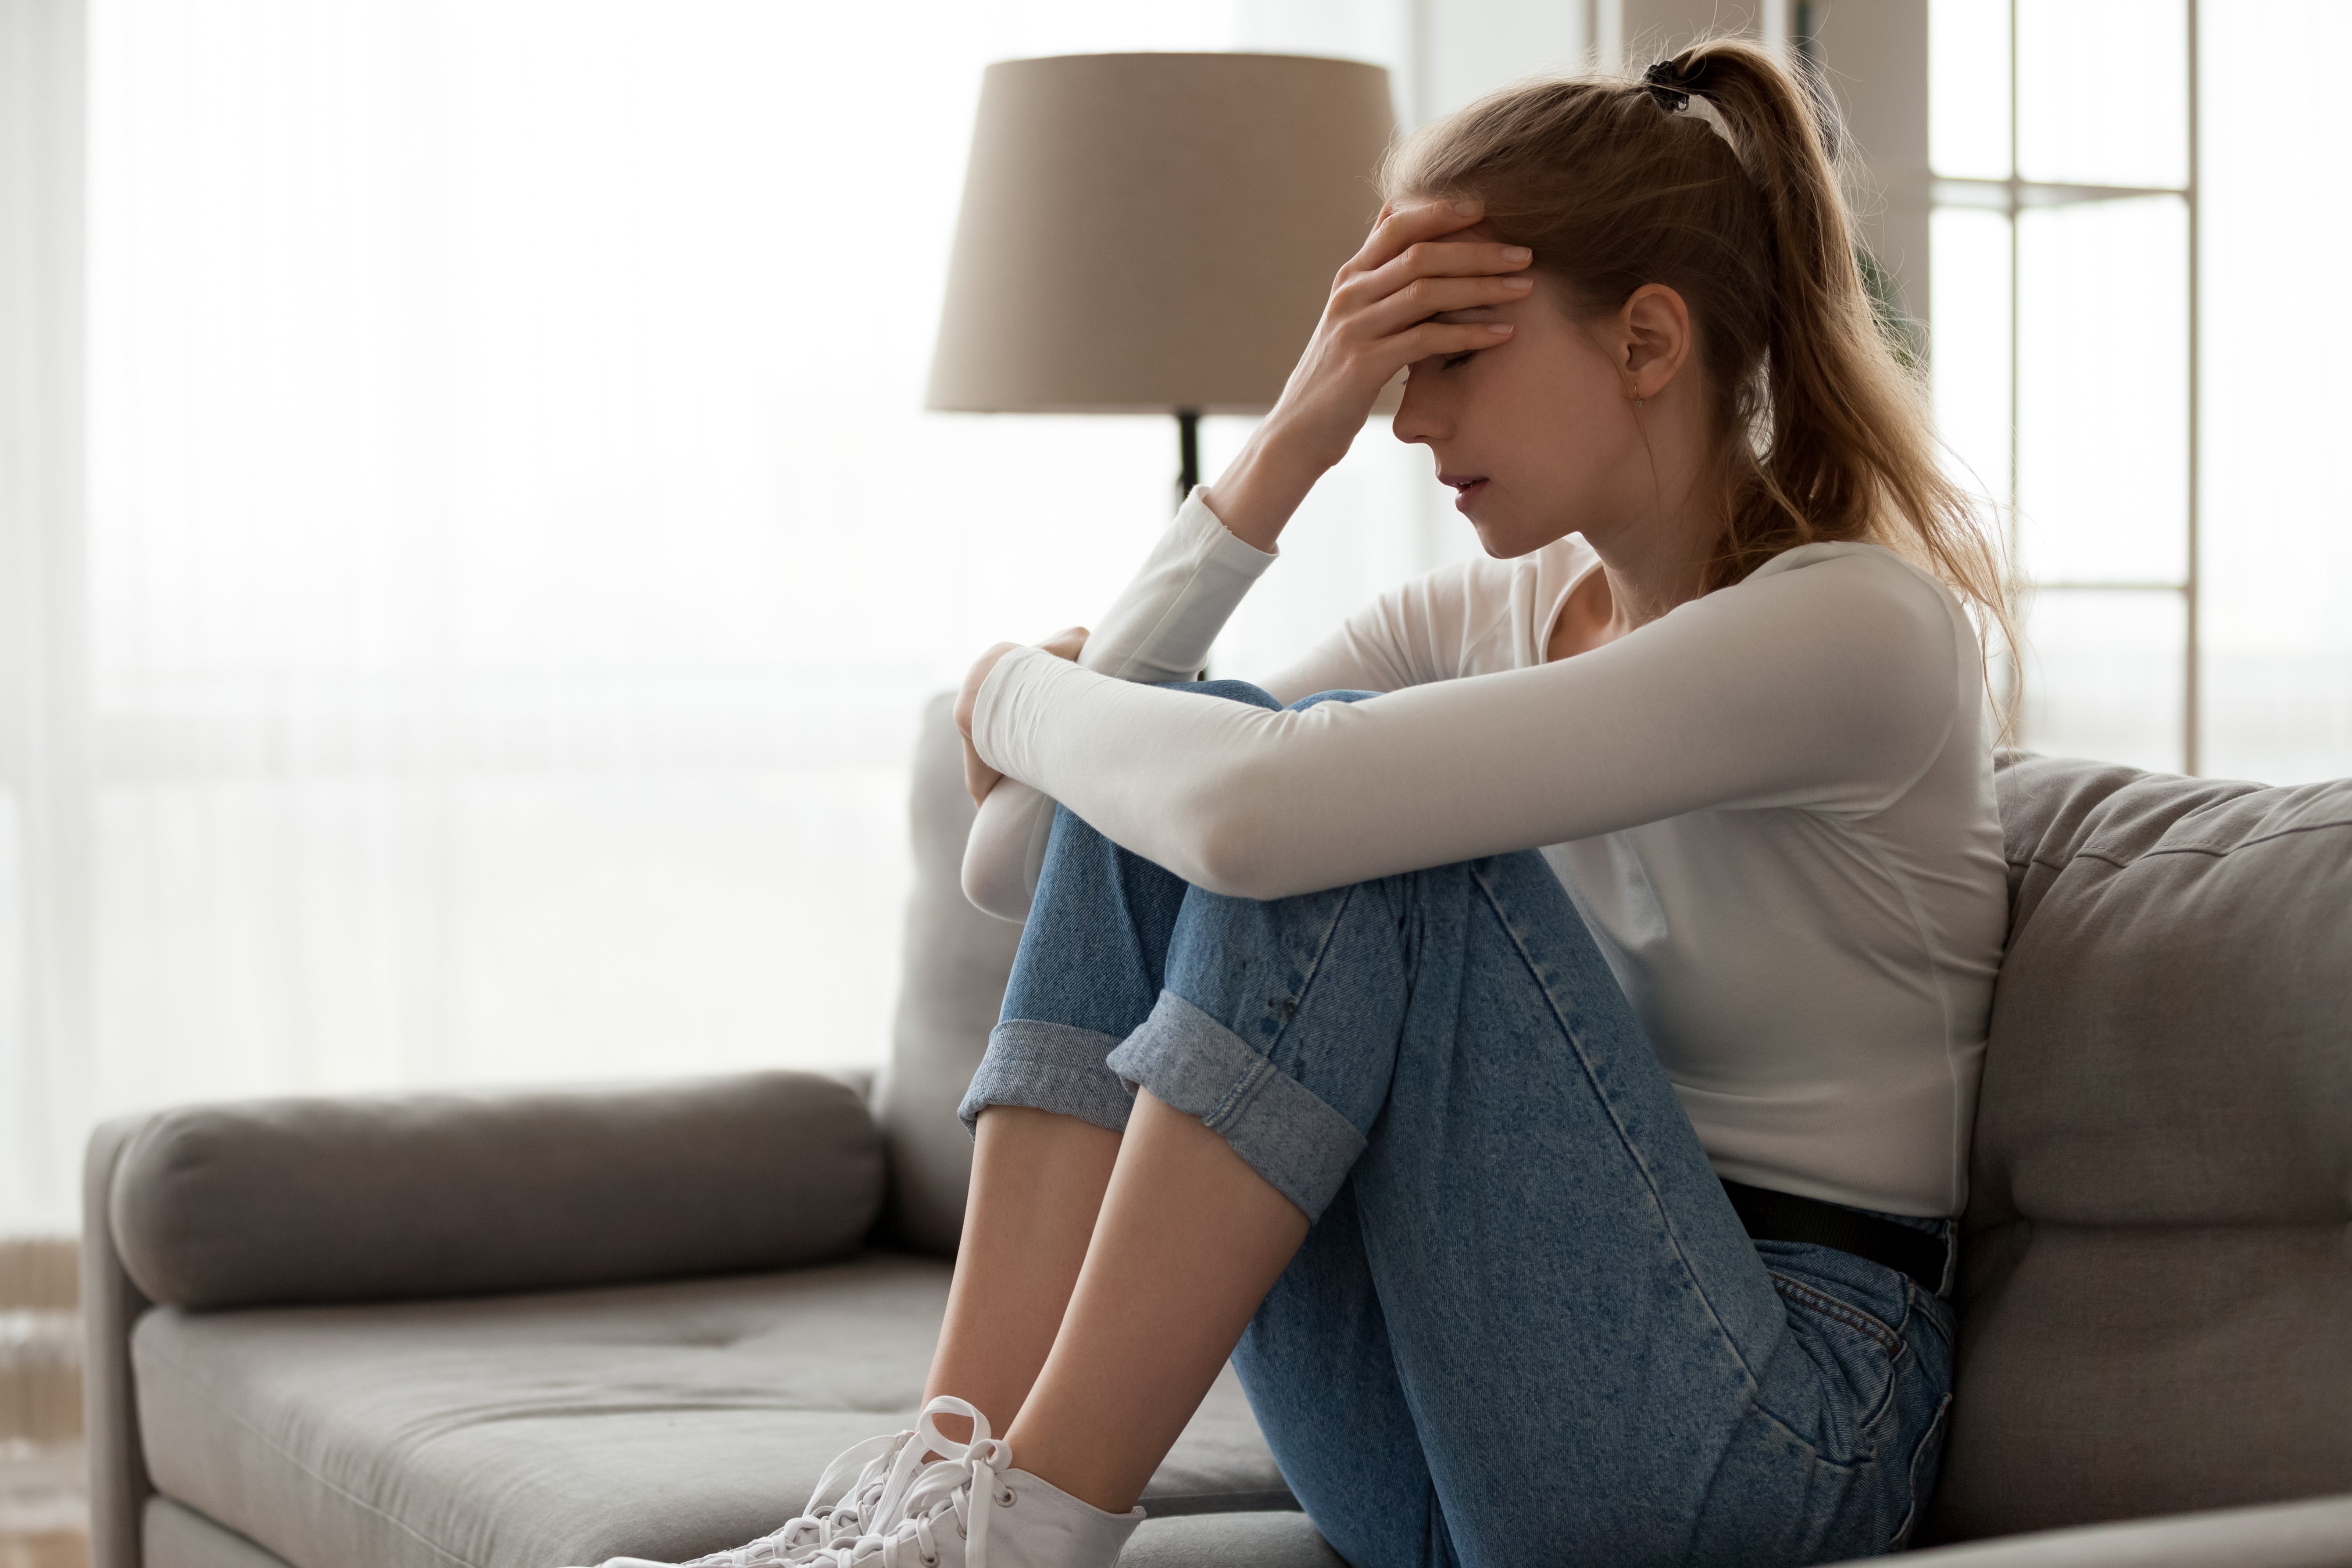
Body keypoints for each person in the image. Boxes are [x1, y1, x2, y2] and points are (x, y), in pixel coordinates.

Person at [606, 36, 2012, 1568]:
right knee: (1234, 771)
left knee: (1339, 818)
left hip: (1771, 1430)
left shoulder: (1854, 632)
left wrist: (1017, 688)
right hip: (1448, 1413)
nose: (1404, 426)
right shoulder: (1467, 628)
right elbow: (1024, 851)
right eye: (1382, 373)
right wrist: (1287, 439)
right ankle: (927, 1502)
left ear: (1647, 341)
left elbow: (1252, 815)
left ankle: (1027, 1535)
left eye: (1448, 361)